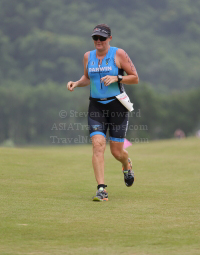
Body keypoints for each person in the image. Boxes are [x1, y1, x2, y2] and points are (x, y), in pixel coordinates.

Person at [67, 24, 139, 201]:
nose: (98, 41)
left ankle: (126, 164)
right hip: (96, 107)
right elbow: (87, 78)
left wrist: (117, 77)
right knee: (98, 145)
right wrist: (76, 83)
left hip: (117, 107)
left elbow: (135, 78)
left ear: (110, 39)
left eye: (102, 38)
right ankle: (101, 189)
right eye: (95, 38)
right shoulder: (87, 56)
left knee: (117, 152)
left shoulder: (118, 54)